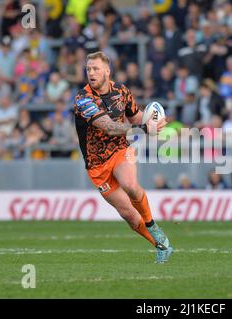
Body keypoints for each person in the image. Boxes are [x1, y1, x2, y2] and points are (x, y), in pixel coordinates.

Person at [73, 51, 173, 263]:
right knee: (127, 213)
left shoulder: (122, 91)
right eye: (88, 69)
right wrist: (144, 127)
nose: (91, 72)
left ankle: (152, 226)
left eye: (96, 68)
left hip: (120, 150)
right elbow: (108, 127)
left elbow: (135, 115)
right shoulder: (83, 99)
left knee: (129, 185)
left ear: (107, 71)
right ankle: (161, 244)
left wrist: (153, 122)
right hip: (96, 165)